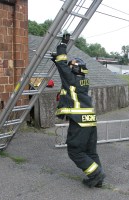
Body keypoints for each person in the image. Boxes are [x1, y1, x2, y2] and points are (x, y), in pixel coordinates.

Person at [51, 34, 105, 188]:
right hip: (90, 121)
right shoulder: (82, 81)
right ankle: (98, 179)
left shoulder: (71, 79)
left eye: (70, 66)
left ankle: (96, 174)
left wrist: (62, 44)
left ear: (73, 69)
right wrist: (56, 61)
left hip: (79, 121)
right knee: (91, 152)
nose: (68, 67)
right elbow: (62, 66)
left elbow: (62, 64)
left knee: (75, 151)